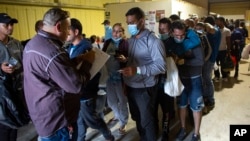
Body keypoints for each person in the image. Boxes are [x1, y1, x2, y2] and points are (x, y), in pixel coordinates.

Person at [23, 8, 90, 141]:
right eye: (67, 28)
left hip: (42, 116)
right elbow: (76, 86)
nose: (68, 32)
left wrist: (75, 60)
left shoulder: (32, 44)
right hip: (58, 122)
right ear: (59, 27)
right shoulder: (54, 52)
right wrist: (88, 63)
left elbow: (52, 70)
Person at [120, 7, 166, 141]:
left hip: (145, 88)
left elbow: (161, 66)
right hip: (131, 85)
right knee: (136, 117)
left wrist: (138, 70)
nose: (129, 26)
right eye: (127, 23)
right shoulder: (132, 39)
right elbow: (134, 61)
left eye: (132, 22)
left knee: (147, 120)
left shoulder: (153, 41)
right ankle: (143, 137)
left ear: (141, 21)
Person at [66, 18, 114, 141]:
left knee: (93, 120)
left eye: (68, 30)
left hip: (85, 93)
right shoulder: (71, 46)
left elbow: (93, 73)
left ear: (76, 32)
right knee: (79, 120)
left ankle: (108, 135)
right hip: (77, 93)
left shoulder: (86, 48)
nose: (65, 33)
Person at [171, 20, 204, 141]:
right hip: (180, 79)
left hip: (194, 79)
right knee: (181, 105)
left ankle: (196, 133)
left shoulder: (193, 42)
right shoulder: (173, 43)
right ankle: (183, 128)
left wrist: (184, 61)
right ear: (172, 33)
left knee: (196, 107)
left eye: (182, 35)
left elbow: (200, 61)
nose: (179, 37)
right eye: (176, 35)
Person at [0, 12, 29, 141]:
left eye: (11, 24)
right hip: (2, 95)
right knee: (4, 125)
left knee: (15, 125)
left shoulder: (16, 44)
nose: (10, 27)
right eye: (6, 24)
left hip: (17, 91)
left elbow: (24, 61)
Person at [102, 23, 129, 135]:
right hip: (108, 76)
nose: (116, 33)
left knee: (122, 101)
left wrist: (125, 59)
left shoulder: (125, 43)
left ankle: (123, 122)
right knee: (111, 101)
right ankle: (118, 116)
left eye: (119, 31)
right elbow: (102, 55)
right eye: (114, 31)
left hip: (120, 77)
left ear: (123, 33)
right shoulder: (108, 42)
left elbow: (131, 58)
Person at [157, 17, 176, 141]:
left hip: (168, 80)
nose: (161, 31)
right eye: (160, 28)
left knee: (166, 108)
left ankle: (165, 130)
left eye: (164, 29)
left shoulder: (174, 43)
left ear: (170, 30)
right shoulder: (157, 41)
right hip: (156, 81)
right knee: (156, 106)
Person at [202, 16, 222, 112]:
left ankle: (211, 100)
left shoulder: (216, 30)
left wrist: (203, 24)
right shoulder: (211, 31)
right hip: (206, 58)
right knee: (205, 79)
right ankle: (206, 96)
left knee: (207, 79)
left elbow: (211, 29)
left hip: (210, 59)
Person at [214, 16, 231, 82]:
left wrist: (228, 50)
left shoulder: (227, 30)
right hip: (215, 50)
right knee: (216, 64)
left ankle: (224, 76)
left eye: (217, 21)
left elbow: (228, 41)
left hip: (223, 50)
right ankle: (217, 76)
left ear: (222, 21)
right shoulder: (214, 30)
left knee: (223, 64)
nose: (216, 22)